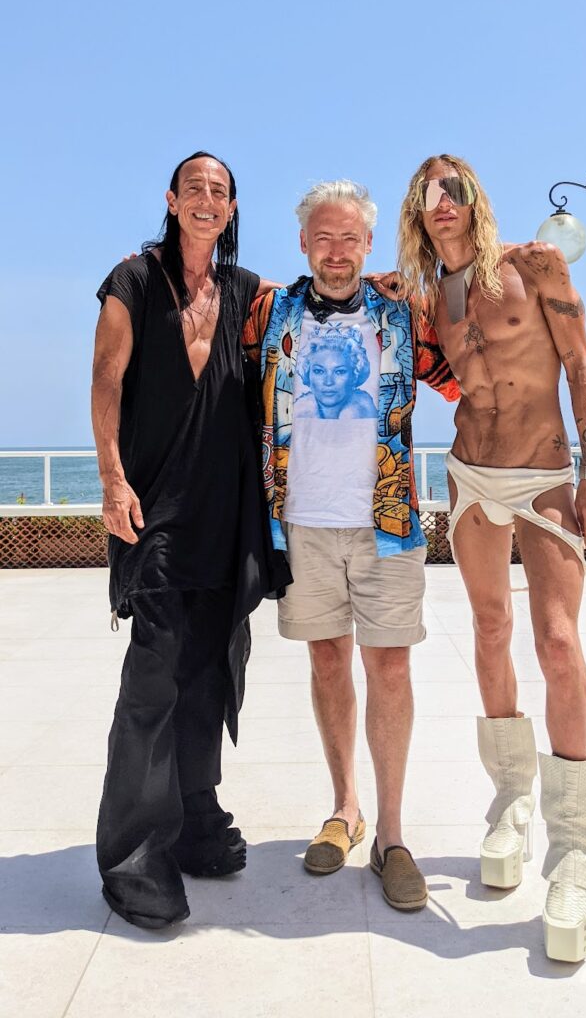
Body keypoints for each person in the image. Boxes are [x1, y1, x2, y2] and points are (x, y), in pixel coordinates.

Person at [397, 154, 586, 961]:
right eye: (426, 196)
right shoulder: (428, 296)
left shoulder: (535, 266)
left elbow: (583, 368)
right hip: (468, 475)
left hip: (546, 473)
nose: (440, 203)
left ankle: (573, 849)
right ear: (417, 214)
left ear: (473, 200)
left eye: (452, 190)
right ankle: (511, 801)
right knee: (489, 631)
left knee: (556, 642)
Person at [243, 180, 459, 911]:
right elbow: (196, 331)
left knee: (389, 669)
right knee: (327, 659)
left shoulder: (402, 308)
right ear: (304, 243)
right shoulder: (269, 312)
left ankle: (392, 836)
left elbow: (463, 377)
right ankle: (345, 809)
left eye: (349, 240)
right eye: (323, 238)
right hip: (297, 520)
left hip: (387, 521)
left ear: (368, 245)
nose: (336, 252)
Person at [91, 151, 290, 929]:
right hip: (155, 511)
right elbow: (107, 379)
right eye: (195, 189)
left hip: (229, 513)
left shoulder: (245, 294)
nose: (207, 200)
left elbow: (317, 307)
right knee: (154, 677)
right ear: (172, 202)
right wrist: (110, 477)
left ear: (233, 209)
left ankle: (194, 818)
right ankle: (134, 853)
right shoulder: (133, 282)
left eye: (221, 191)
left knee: (213, 669)